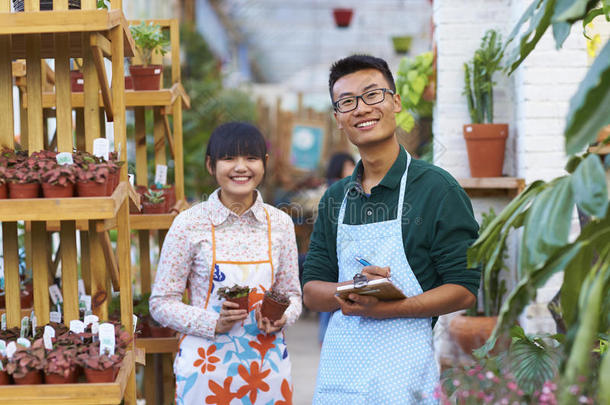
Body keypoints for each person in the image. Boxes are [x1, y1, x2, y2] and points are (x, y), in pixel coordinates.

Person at [302, 55, 481, 404]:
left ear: (395, 102)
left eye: (373, 95)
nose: (362, 109)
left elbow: (463, 289)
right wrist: (357, 287)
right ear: (338, 118)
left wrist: (388, 307)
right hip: (342, 378)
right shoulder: (335, 199)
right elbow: (311, 291)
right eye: (347, 102)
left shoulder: (436, 189)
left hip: (405, 379)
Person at [150, 122, 302, 405]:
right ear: (211, 165)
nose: (241, 167)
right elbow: (160, 303)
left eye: (251, 158)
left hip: (266, 370)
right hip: (205, 372)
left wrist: (283, 317)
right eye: (229, 158)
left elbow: (292, 294)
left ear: (265, 163)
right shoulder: (189, 224)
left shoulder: (280, 223)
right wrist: (213, 322)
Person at [317, 152, 356, 345]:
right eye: (348, 166)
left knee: (331, 295)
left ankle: (324, 337)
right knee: (334, 295)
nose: (351, 170)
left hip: (333, 249)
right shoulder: (339, 188)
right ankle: (325, 337)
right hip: (337, 250)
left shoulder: (332, 186)